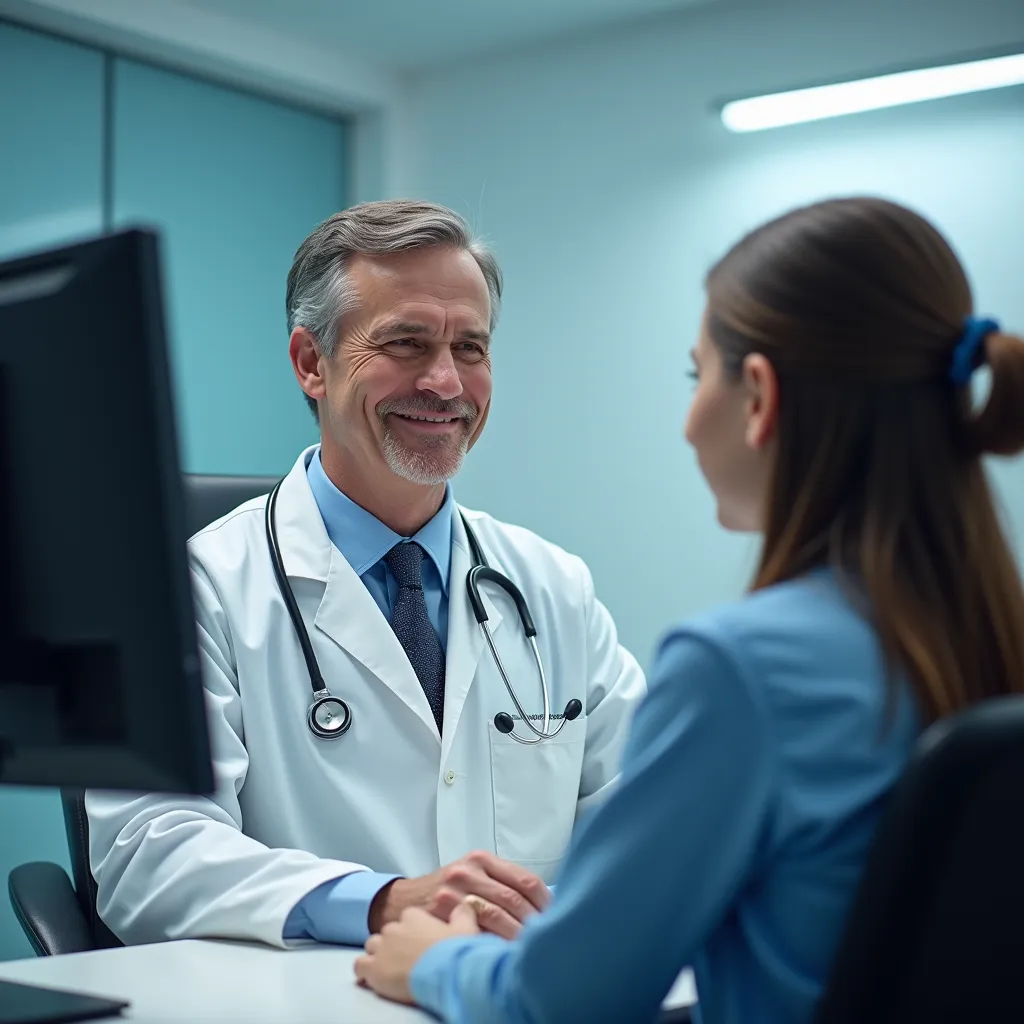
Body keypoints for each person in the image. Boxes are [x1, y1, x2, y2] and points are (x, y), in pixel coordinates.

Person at [354, 196, 1024, 1024]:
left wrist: (437, 961)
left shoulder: (742, 666)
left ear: (759, 396)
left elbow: (565, 1000)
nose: (687, 419)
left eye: (695, 373)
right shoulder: (989, 631)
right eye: (408, 343)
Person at [86, 200, 646, 949]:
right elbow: (148, 852)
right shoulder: (197, 589)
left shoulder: (554, 587)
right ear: (311, 363)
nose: (446, 383)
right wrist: (380, 903)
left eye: (471, 348)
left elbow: (645, 810)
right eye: (406, 344)